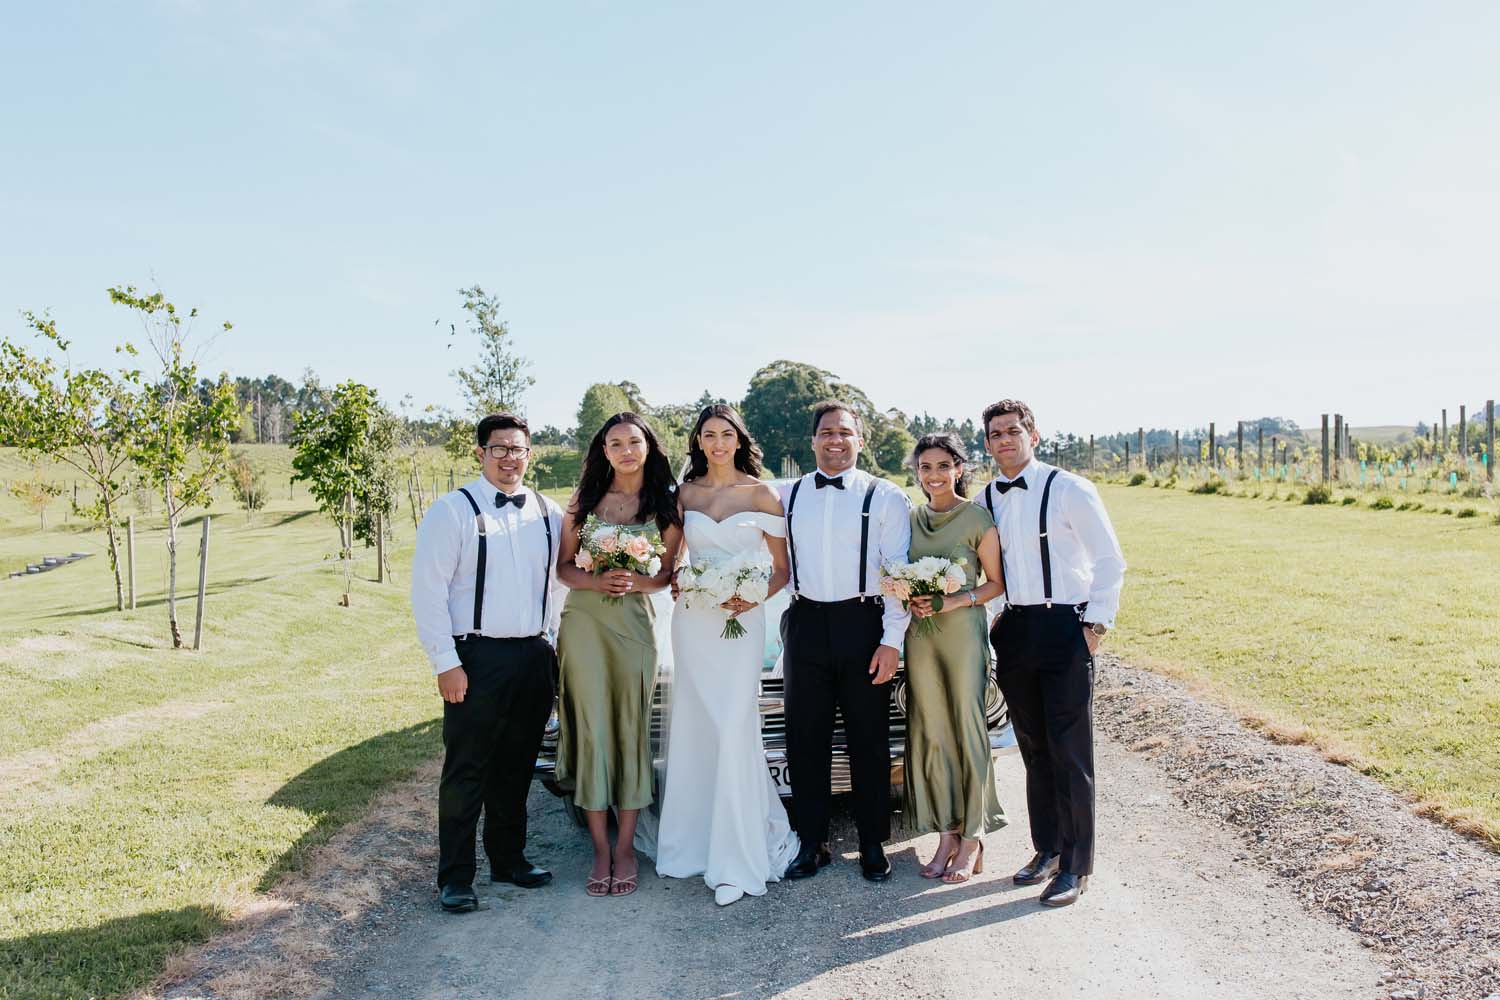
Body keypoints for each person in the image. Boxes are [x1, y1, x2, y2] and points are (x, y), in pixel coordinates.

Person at [409, 413, 564, 914]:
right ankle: (455, 877)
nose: (508, 458)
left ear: (529, 453)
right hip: (475, 656)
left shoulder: (549, 512)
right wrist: (444, 662)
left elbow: (559, 588)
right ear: (480, 453)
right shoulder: (451, 511)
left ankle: (509, 858)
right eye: (498, 449)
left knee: (517, 766)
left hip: (534, 654)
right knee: (466, 770)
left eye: (517, 449)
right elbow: (428, 592)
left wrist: (557, 651)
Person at [979, 399, 1125, 907]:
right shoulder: (985, 498)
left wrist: (1095, 626)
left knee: (1071, 754)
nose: (1004, 440)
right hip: (1016, 629)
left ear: (1033, 435)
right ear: (988, 442)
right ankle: (1047, 850)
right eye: (995, 434)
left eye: (1013, 431)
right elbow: (988, 566)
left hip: (1066, 626)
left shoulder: (1069, 489)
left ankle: (1077, 865)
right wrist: (997, 613)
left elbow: (1110, 561)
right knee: (1033, 749)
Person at [655, 405, 800, 906]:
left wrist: (753, 596)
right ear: (698, 439)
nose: (718, 443)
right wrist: (677, 580)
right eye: (708, 435)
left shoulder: (763, 493)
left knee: (734, 723)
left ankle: (737, 856)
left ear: (739, 439)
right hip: (694, 621)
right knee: (696, 724)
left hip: (741, 619)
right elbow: (670, 561)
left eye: (726, 435)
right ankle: (693, 843)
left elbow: (781, 570)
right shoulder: (685, 493)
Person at [779, 401, 912, 883]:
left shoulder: (886, 496)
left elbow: (897, 572)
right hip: (806, 622)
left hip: (864, 622)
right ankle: (811, 843)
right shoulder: (787, 495)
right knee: (805, 738)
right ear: (812, 441)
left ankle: (874, 842)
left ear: (860, 440)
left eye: (845, 432)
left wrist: (891, 640)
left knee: (868, 738)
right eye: (826, 433)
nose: (835, 440)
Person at [555, 412, 683, 898]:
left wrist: (635, 581)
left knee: (631, 728)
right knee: (592, 731)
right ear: (603, 451)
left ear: (648, 447)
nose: (625, 450)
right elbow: (564, 568)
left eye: (634, 442)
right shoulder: (583, 502)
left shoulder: (667, 507)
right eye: (615, 443)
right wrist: (595, 579)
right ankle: (600, 849)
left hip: (635, 627)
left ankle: (626, 847)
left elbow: (666, 576)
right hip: (585, 623)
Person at [902, 433, 1007, 882]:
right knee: (931, 730)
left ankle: (973, 838)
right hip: (920, 636)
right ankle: (946, 832)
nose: (935, 475)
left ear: (959, 468)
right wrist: (907, 595)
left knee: (966, 728)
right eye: (926, 467)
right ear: (918, 473)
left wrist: (954, 600)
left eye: (943, 466)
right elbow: (896, 572)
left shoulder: (978, 517)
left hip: (962, 634)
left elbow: (996, 584)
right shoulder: (910, 519)